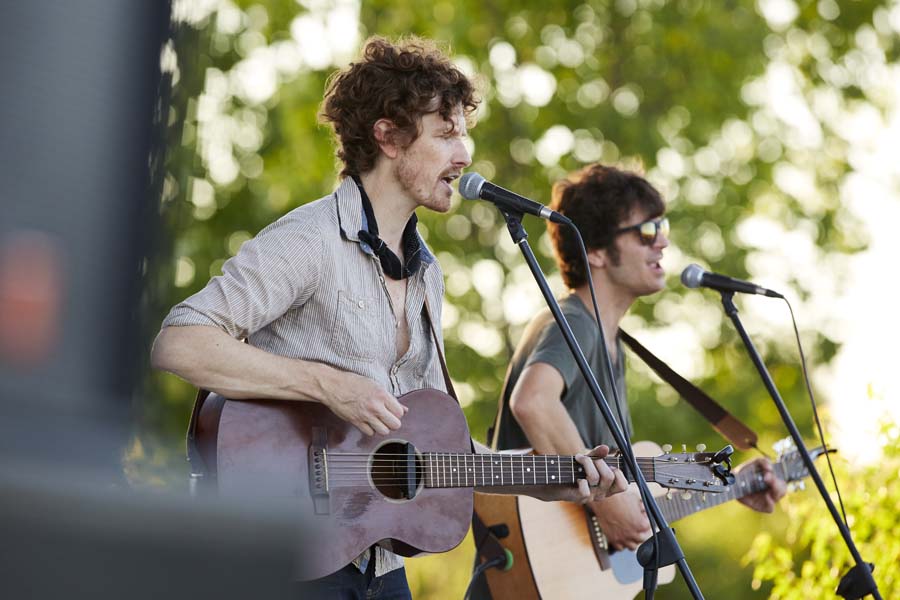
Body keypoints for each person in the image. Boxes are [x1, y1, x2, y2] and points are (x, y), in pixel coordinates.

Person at [150, 37, 627, 599]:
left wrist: (552, 479)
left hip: (378, 568)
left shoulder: (429, 276)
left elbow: (432, 444)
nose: (465, 153)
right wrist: (329, 386)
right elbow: (178, 341)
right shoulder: (311, 240)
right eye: (446, 133)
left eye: (463, 133)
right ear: (389, 136)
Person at [480, 163, 786, 591]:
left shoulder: (610, 343)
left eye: (661, 226)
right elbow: (533, 401)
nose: (662, 240)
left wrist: (734, 485)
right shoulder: (574, 321)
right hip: (530, 569)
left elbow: (627, 481)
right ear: (597, 252)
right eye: (645, 230)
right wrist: (606, 501)